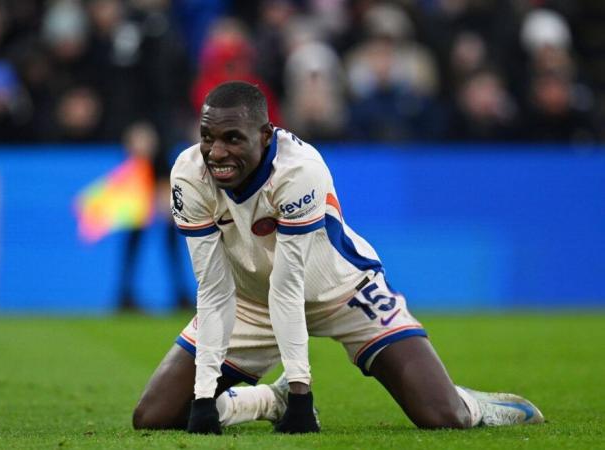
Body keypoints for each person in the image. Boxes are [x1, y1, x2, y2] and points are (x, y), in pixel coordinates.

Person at [132, 81, 544, 434]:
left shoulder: (298, 171)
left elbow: (289, 285)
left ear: (264, 134)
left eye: (232, 138)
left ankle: (474, 404)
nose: (216, 153)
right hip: (250, 302)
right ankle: (262, 402)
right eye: (208, 137)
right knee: (154, 416)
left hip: (342, 290)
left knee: (441, 415)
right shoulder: (189, 174)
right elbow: (213, 287)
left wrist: (301, 391)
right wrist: (205, 395)